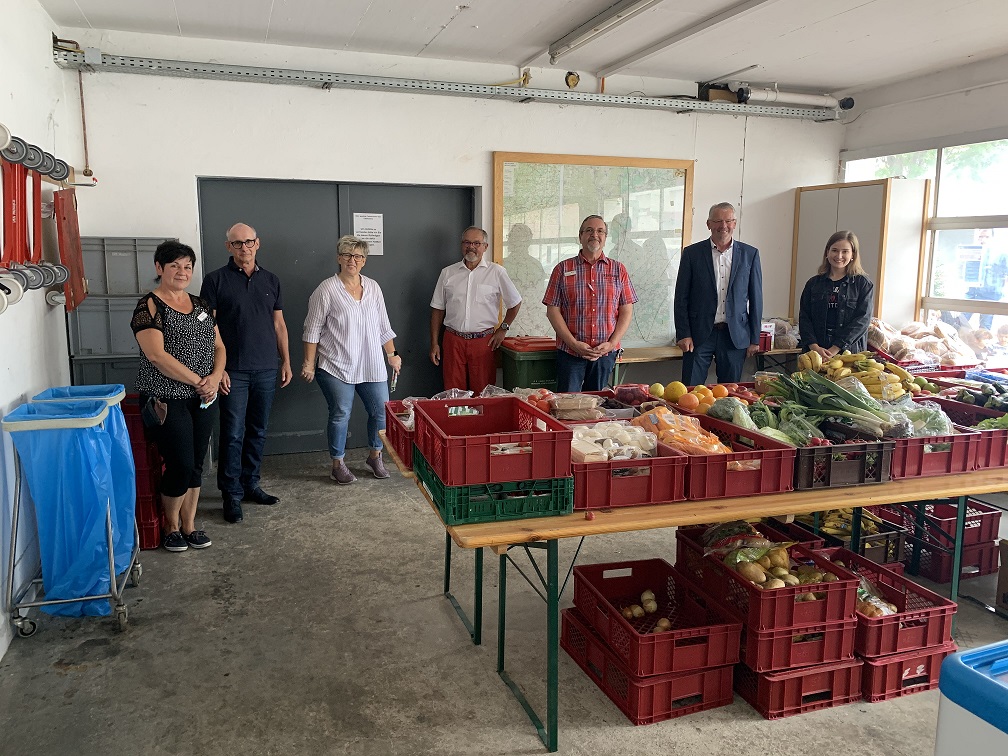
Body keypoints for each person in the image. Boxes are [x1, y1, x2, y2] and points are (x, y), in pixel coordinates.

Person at [131, 240, 225, 553]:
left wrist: (214, 377)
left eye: (187, 266)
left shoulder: (200, 305)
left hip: (203, 396)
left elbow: (219, 347)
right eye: (175, 266)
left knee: (196, 463)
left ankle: (190, 525)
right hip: (166, 397)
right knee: (180, 464)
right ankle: (171, 526)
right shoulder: (149, 306)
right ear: (159, 269)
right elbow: (157, 356)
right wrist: (200, 380)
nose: (182, 272)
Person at [200, 222, 292, 525]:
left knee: (258, 431)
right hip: (233, 372)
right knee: (233, 434)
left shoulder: (271, 280)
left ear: (257, 243)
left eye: (249, 242)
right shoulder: (214, 281)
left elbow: (279, 325)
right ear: (229, 247)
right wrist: (218, 369)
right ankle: (231, 494)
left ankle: (251, 484)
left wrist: (286, 361)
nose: (244, 248)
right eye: (237, 243)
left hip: (266, 367)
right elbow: (206, 330)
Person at [301, 236, 401, 484]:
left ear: (364, 261)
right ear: (339, 258)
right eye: (347, 255)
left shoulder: (373, 288)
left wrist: (392, 354)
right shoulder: (326, 290)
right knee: (340, 413)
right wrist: (308, 363)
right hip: (336, 364)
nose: (351, 260)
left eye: (357, 256)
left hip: (371, 363)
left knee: (381, 413)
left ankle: (375, 456)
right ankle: (338, 463)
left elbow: (383, 327)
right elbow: (312, 329)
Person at [543, 215, 637, 391]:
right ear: (580, 236)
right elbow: (552, 310)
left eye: (600, 231)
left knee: (598, 407)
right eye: (589, 230)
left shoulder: (618, 269)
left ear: (605, 238)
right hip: (571, 353)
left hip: (605, 352)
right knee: (567, 407)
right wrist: (573, 343)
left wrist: (611, 343)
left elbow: (626, 310)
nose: (595, 234)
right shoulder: (562, 269)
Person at [674, 202, 762, 385]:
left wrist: (754, 338)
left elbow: (756, 300)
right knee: (690, 391)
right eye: (718, 221)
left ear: (735, 223)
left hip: (734, 336)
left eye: (728, 221)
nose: (723, 226)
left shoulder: (749, 254)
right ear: (708, 224)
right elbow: (681, 297)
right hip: (698, 336)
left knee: (729, 393)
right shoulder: (692, 254)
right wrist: (683, 333)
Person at [430, 226, 522, 393]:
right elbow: (437, 309)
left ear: (485, 247)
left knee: (483, 392)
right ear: (461, 245)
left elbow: (515, 302)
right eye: (467, 242)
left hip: (484, 342)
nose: (471, 246)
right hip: (453, 341)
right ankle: (457, 420)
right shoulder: (447, 273)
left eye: (476, 243)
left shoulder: (497, 272)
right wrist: (434, 342)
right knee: (453, 393)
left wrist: (503, 329)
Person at [798, 230, 875, 359]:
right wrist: (814, 347)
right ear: (827, 252)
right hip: (814, 352)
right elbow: (805, 318)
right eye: (834, 250)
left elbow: (862, 320)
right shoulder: (813, 284)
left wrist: (835, 348)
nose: (839, 256)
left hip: (849, 353)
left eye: (845, 251)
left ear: (853, 255)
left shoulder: (863, 284)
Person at [502, 223, 550, 337]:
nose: (517, 243)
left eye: (521, 239)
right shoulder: (502, 265)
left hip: (531, 323)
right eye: (514, 238)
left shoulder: (536, 265)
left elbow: (539, 298)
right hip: (508, 322)